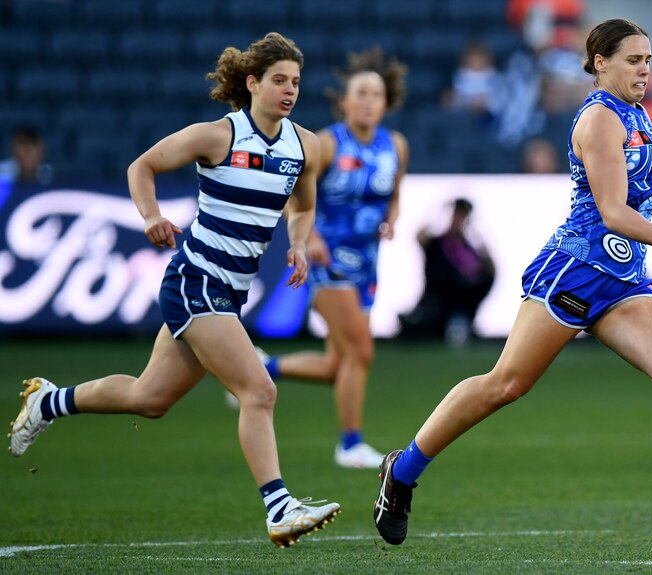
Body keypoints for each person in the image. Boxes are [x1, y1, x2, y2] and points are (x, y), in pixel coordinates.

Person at [373, 18, 652, 551]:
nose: (645, 69)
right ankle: (402, 471)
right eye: (634, 60)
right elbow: (613, 211)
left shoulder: (634, 116)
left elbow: (636, 168)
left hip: (623, 280)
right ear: (600, 62)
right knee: (506, 384)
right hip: (575, 271)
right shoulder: (597, 120)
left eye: (649, 59)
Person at [8, 32, 341, 548]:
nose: (289, 90)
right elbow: (141, 166)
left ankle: (49, 402)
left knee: (150, 398)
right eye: (279, 80)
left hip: (230, 292)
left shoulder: (306, 144)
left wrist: (298, 243)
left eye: (296, 82)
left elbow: (303, 205)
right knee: (259, 390)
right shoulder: (217, 136)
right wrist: (151, 217)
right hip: (195, 279)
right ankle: (279, 507)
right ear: (252, 83)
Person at [248, 47, 409, 469]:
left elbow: (394, 196)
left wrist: (391, 219)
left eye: (377, 93)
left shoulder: (396, 146)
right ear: (345, 101)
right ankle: (350, 444)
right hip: (328, 260)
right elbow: (294, 198)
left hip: (367, 264)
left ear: (386, 101)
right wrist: (310, 236)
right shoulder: (324, 144)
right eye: (361, 92)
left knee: (340, 364)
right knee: (361, 353)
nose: (370, 100)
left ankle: (260, 368)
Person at [398, 198, 496, 346]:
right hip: (433, 303)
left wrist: (476, 230)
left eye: (462, 215)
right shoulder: (437, 242)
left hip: (459, 305)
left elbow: (490, 270)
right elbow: (418, 236)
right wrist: (438, 212)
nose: (458, 219)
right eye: (456, 214)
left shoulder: (468, 248)